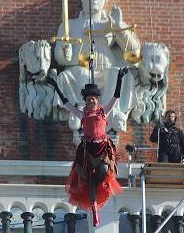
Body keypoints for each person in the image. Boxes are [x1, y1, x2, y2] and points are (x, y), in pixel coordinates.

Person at [53, 0, 140, 141]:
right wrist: (65, 52)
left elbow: (134, 54)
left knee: (117, 75)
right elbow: (61, 59)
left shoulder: (111, 21)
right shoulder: (70, 25)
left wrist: (118, 27)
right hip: (82, 68)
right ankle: (80, 111)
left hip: (106, 68)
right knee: (68, 76)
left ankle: (112, 116)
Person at [46, 68, 128, 227]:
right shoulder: (81, 114)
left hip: (102, 147)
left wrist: (119, 78)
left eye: (93, 99)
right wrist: (55, 85)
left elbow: (116, 96)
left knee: (104, 171)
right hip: (88, 149)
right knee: (88, 180)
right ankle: (94, 209)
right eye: (88, 99)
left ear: (98, 100)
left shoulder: (104, 112)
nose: (90, 101)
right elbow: (66, 102)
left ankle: (100, 184)